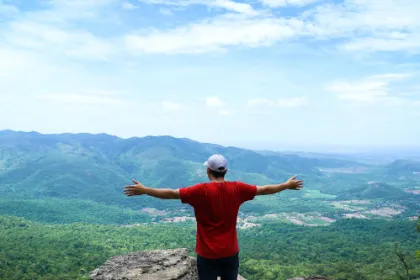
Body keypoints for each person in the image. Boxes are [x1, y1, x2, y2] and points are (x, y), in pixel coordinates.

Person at [123, 154, 304, 280]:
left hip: (207, 253)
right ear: (225, 171)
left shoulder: (200, 191)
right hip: (230, 251)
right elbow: (265, 189)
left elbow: (170, 193)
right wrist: (286, 185)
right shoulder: (238, 188)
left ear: (208, 171)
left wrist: (145, 190)